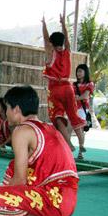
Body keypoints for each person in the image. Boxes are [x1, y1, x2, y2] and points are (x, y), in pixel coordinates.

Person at [0, 86, 78, 216]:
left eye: (7, 108)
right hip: (66, 200)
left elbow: (20, 180)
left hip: (55, 203)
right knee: (13, 167)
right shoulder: (48, 127)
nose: (5, 113)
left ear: (16, 109)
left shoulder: (21, 131)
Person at [42, 14, 85, 154]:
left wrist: (44, 25)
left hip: (55, 89)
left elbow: (45, 39)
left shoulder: (50, 52)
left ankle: (69, 143)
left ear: (52, 44)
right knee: (74, 116)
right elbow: (67, 39)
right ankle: (81, 144)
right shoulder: (67, 52)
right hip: (68, 88)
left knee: (57, 116)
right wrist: (63, 24)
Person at [71, 64, 94, 159]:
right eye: (77, 71)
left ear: (85, 72)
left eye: (80, 71)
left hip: (82, 109)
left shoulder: (90, 84)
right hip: (73, 108)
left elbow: (85, 96)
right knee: (75, 128)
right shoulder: (73, 84)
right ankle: (79, 147)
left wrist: (76, 98)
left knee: (79, 129)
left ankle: (80, 151)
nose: (78, 73)